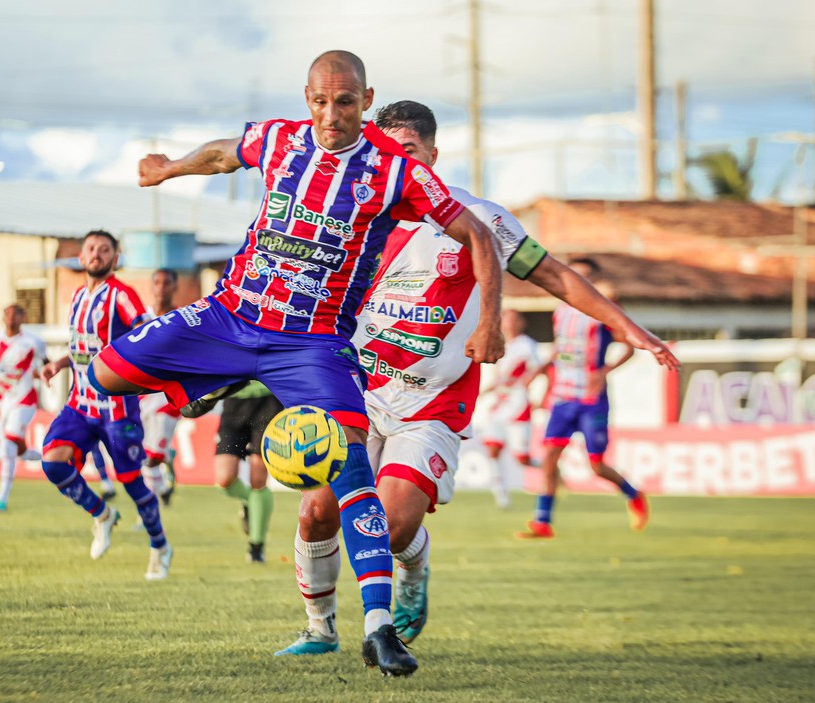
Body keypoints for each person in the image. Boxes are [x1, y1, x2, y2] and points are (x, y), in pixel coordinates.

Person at [85, 50, 509, 677]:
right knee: (103, 374)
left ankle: (377, 627)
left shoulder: (397, 173)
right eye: (320, 100)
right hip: (233, 315)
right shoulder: (282, 141)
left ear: (367, 101)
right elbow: (226, 151)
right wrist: (168, 169)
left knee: (350, 476)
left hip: (314, 343)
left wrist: (493, 323)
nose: (331, 114)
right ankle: (226, 376)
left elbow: (477, 235)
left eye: (345, 101)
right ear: (305, 98)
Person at [275, 100, 679, 649]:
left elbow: (554, 274)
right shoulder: (348, 218)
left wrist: (627, 328)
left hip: (434, 402)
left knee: (391, 530)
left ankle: (414, 571)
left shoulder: (479, 219)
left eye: (410, 151)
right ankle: (320, 630)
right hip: (356, 392)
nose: (399, 162)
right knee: (317, 511)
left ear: (433, 157)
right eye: (388, 151)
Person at [38, 229, 173, 580]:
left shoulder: (122, 296)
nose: (97, 254)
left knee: (131, 481)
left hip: (117, 408)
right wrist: (59, 363)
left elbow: (146, 334)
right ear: (81, 258)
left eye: (104, 250)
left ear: (115, 258)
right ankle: (102, 514)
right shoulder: (78, 296)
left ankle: (159, 546)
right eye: (91, 249)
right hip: (80, 405)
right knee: (52, 462)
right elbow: (83, 345)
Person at [520, 261, 648, 539]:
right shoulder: (560, 311)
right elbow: (560, 350)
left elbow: (629, 347)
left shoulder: (603, 311)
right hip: (563, 397)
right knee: (549, 457)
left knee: (597, 466)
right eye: (575, 274)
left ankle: (633, 493)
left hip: (591, 399)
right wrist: (541, 374)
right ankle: (543, 521)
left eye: (586, 276)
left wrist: (605, 371)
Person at [0, 304, 47, 512]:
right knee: (17, 448)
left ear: (22, 317)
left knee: (8, 445)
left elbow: (46, 364)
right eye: (8, 313)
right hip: (4, 399)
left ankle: (1, 499)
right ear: (3, 317)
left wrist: (43, 372)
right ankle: (44, 455)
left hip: (25, 399)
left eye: (16, 314)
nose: (11, 318)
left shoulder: (32, 342)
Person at [474, 309, 541, 509]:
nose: (509, 324)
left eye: (513, 319)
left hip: (518, 404)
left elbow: (537, 367)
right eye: (506, 319)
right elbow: (498, 375)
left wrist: (528, 386)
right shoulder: (500, 344)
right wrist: (487, 391)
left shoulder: (526, 344)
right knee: (492, 449)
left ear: (521, 322)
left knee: (522, 458)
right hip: (498, 404)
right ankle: (501, 497)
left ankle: (549, 469)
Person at [214, 381, 283, 564]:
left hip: (268, 400)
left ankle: (256, 547)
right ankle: (250, 501)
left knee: (258, 479)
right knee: (224, 478)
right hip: (233, 400)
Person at [139, 267, 183, 505]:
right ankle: (168, 459)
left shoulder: (183, 319)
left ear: (175, 287)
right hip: (142, 396)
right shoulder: (140, 319)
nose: (161, 288)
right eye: (157, 282)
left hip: (168, 399)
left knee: (152, 457)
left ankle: (148, 512)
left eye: (167, 283)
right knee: (148, 452)